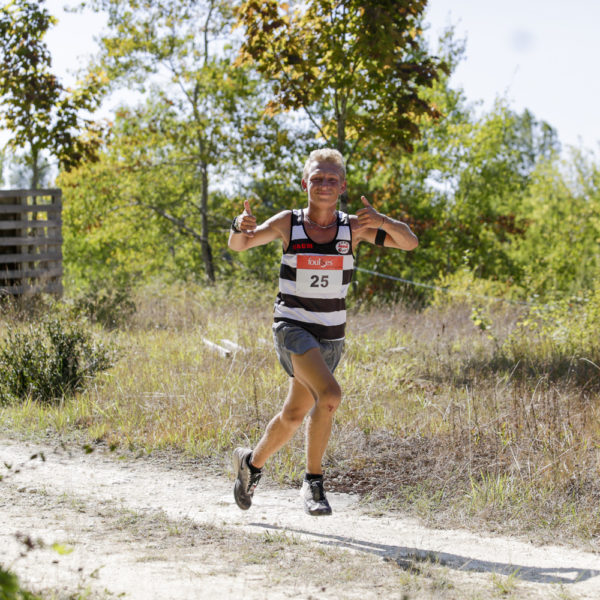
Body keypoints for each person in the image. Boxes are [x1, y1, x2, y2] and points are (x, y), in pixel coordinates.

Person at [228, 148, 418, 516]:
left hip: (331, 337)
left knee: (295, 414)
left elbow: (409, 241)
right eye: (317, 178)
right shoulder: (289, 223)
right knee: (329, 396)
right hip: (292, 328)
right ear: (305, 184)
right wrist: (239, 227)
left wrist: (384, 221)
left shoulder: (353, 227)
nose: (324, 184)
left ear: (342, 186)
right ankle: (313, 483)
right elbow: (241, 244)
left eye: (332, 179)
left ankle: (250, 465)